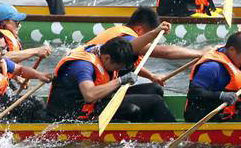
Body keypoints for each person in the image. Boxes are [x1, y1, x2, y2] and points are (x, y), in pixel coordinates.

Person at [47, 36, 175, 122]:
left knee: (154, 89)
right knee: (154, 101)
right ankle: (174, 135)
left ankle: (146, 130)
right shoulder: (83, 66)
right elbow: (89, 95)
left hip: (100, 101)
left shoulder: (106, 50)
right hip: (76, 114)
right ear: (107, 58)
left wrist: (155, 32)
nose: (119, 71)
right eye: (118, 67)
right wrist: (120, 80)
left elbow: (132, 50)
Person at [82, 7, 202, 85]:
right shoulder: (127, 38)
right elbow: (165, 52)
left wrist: (151, 76)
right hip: (88, 84)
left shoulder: (120, 32)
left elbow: (127, 65)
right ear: (139, 30)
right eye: (148, 35)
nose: (149, 40)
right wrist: (199, 53)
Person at [185, 32, 241, 122]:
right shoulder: (212, 67)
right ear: (231, 50)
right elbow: (193, 92)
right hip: (205, 117)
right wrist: (221, 95)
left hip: (226, 112)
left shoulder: (237, 53)